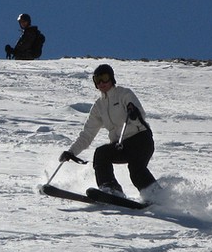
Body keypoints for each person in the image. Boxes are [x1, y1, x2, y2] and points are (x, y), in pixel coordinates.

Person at [59, 63, 157, 198]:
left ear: (111, 78)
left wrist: (134, 113)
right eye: (97, 80)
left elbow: (140, 113)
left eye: (104, 78)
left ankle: (157, 197)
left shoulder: (123, 94)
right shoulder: (99, 106)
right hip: (122, 145)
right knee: (101, 154)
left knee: (136, 170)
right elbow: (87, 134)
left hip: (141, 140)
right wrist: (71, 152)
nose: (101, 83)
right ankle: (110, 189)